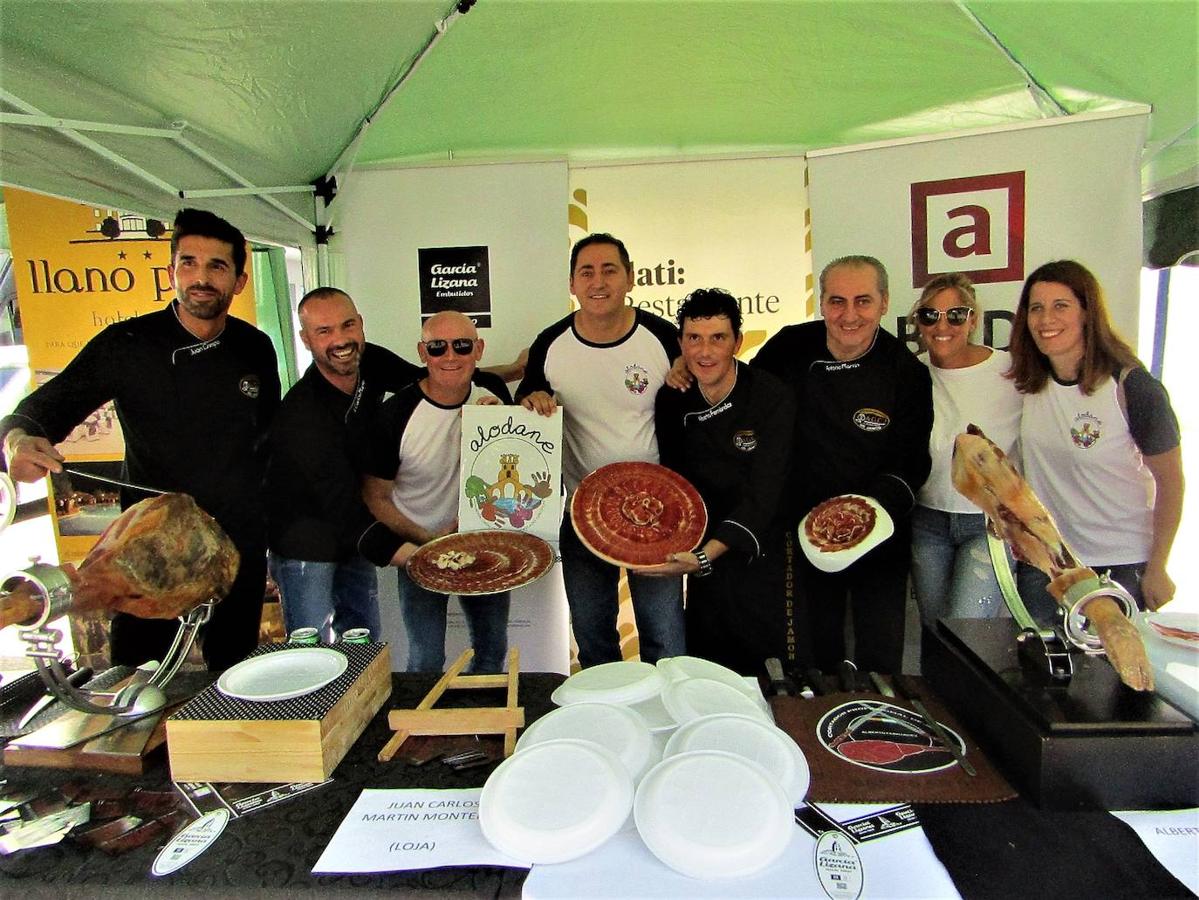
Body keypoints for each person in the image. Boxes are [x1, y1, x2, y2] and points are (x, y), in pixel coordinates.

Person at [0, 208, 279, 671]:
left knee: (235, 669)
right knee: (136, 674)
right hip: (150, 547)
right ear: (171, 272)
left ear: (239, 281)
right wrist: (17, 441)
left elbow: (268, 440)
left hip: (238, 541)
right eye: (188, 263)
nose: (201, 278)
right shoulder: (126, 345)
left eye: (217, 266)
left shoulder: (255, 346)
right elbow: (43, 408)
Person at [751, 255, 932, 675]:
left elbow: (912, 461)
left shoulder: (905, 372)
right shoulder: (789, 347)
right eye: (837, 301)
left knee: (880, 651)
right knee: (814, 650)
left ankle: (881, 731)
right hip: (804, 528)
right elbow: (742, 397)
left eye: (863, 301)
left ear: (885, 303)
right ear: (821, 303)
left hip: (880, 528)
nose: (849, 315)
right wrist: (687, 366)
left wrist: (861, 513)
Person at [517, 233, 684, 668]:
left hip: (658, 516)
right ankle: (606, 726)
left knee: (665, 641)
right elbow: (529, 403)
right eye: (586, 272)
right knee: (593, 642)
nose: (598, 281)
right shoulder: (550, 344)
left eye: (610, 270)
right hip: (583, 513)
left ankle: (666, 724)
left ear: (630, 277)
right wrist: (531, 401)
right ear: (572, 284)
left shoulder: (665, 339)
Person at [1007, 259, 1183, 621]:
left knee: (1114, 677)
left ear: (1087, 313)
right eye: (1036, 308)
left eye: (1061, 306)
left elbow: (1172, 482)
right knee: (1041, 674)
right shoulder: (1029, 385)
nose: (1046, 320)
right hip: (1047, 565)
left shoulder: (1132, 387)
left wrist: (1159, 565)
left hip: (1118, 568)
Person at [643, 289, 796, 675]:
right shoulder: (672, 400)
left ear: (738, 343)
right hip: (703, 556)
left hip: (759, 551)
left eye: (718, 338)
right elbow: (675, 483)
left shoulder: (770, 396)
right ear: (681, 344)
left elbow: (766, 492)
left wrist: (705, 554)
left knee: (765, 668)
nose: (705, 352)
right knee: (709, 666)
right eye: (694, 339)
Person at [362, 311, 512, 672]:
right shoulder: (395, 414)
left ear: (478, 349)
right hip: (421, 548)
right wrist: (426, 539)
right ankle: (424, 729)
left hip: (484, 548)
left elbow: (516, 470)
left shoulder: (493, 396)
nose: (449, 357)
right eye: (437, 347)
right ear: (421, 352)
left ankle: (483, 727)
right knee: (426, 657)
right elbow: (374, 496)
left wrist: (502, 423)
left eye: (461, 346)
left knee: (492, 653)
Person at [907, 273, 1021, 629]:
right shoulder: (911, 374)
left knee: (966, 636)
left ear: (973, 320)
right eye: (930, 315)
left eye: (955, 315)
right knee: (935, 635)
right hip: (927, 521)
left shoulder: (1011, 372)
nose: (943, 326)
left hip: (988, 524)